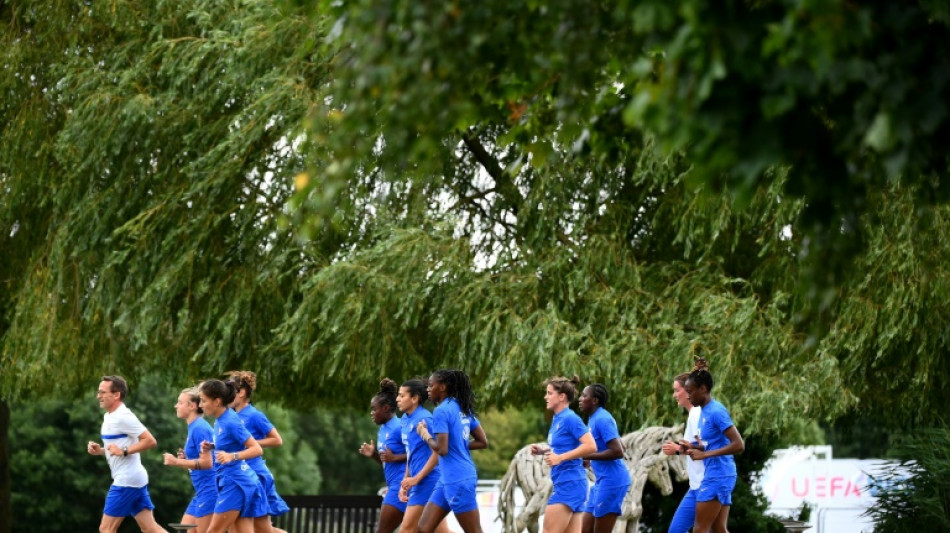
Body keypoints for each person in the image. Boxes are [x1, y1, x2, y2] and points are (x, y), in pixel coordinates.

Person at [87, 375, 169, 533]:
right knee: (150, 528)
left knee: (106, 529)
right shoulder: (109, 416)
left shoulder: (124, 417)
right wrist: (101, 451)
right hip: (135, 479)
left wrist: (123, 451)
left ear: (116, 395)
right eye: (99, 392)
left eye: (103, 392)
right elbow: (119, 448)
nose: (98, 396)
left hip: (126, 481)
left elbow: (150, 441)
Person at [415, 369, 489, 533]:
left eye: (431, 385)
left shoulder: (441, 411)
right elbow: (483, 442)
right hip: (447, 480)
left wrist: (424, 434)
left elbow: (442, 449)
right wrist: (459, 444)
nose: (428, 389)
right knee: (423, 528)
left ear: (442, 387)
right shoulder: (462, 407)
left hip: (458, 480)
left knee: (474, 531)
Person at [199, 378, 269, 533]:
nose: (200, 405)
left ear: (217, 401)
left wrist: (232, 456)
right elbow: (230, 443)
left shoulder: (230, 421)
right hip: (238, 482)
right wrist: (213, 446)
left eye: (203, 401)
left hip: (236, 483)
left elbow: (257, 449)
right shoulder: (221, 419)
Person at [682, 359, 744, 533]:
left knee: (699, 529)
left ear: (703, 389)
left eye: (690, 392)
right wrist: (693, 446)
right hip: (719, 474)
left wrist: (705, 455)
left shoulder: (716, 411)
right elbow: (712, 444)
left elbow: (739, 445)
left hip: (719, 475)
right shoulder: (703, 411)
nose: (688, 396)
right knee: (719, 529)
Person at [226, 370, 290, 533]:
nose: (226, 395)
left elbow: (277, 440)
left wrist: (251, 444)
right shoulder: (231, 417)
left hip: (256, 474)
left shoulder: (254, 415)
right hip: (239, 474)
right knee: (237, 526)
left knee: (263, 529)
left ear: (241, 393)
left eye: (230, 391)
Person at [530, 376, 597, 533]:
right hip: (572, 484)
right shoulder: (558, 418)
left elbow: (591, 445)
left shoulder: (570, 418)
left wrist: (559, 458)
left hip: (569, 485)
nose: (545, 397)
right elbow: (565, 446)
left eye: (549, 393)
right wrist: (544, 451)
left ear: (561, 397)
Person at [396, 378, 451, 533]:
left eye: (401, 396)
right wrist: (405, 481)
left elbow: (438, 452)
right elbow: (410, 453)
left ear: (414, 399)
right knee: (440, 531)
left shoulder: (425, 418)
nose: (397, 399)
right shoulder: (405, 420)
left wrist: (416, 478)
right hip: (418, 482)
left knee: (407, 529)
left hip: (429, 481)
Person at [578, 383, 630, 533]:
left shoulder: (602, 419)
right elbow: (619, 443)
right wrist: (590, 458)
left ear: (594, 400)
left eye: (584, 396)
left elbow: (618, 451)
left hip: (613, 481)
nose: (580, 399)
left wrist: (587, 455)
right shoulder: (595, 418)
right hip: (601, 482)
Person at [162, 386, 216, 533]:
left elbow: (207, 463)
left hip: (210, 490)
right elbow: (201, 459)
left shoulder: (199, 428)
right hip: (201, 492)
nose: (176, 405)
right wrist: (186, 459)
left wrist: (176, 461)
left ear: (192, 406)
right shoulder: (194, 427)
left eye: (180, 402)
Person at [359, 378, 408, 533]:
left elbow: (421, 453)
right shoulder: (383, 430)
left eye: (374, 409)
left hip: (401, 487)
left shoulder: (399, 427)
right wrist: (373, 455)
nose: (371, 413)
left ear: (386, 408)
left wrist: (395, 458)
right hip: (395, 486)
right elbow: (387, 462)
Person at [661, 372, 706, 533]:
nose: (674, 395)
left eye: (676, 390)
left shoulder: (697, 414)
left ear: (688, 391)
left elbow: (706, 444)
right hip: (695, 486)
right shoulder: (693, 415)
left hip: (705, 484)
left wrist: (678, 449)